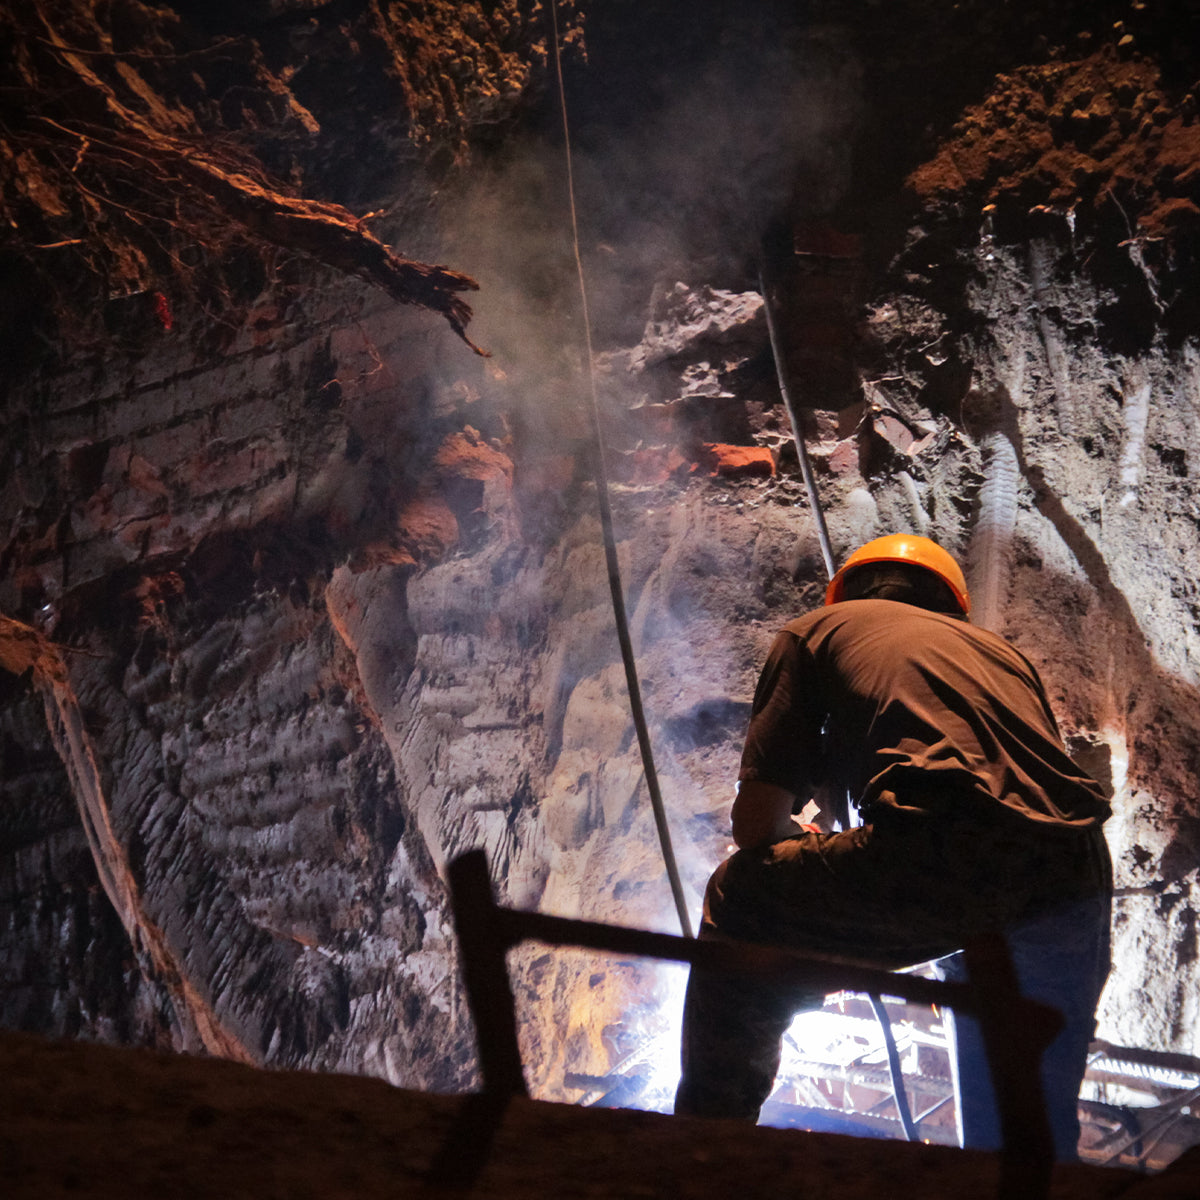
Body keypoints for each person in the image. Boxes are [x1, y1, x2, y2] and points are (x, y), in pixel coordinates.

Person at [673, 534, 1112, 1161]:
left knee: (740, 894)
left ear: (847, 591)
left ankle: (701, 1148)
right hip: (1078, 872)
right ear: (951, 606)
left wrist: (811, 917)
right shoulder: (1002, 654)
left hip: (942, 846)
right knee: (1027, 1128)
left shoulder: (816, 631)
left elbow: (755, 824)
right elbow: (1012, 810)